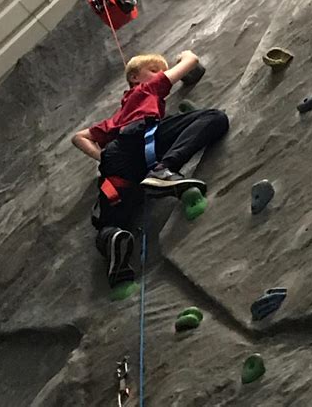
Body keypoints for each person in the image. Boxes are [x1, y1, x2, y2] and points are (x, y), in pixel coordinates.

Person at [72, 51, 229, 289]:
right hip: (146, 139)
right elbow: (191, 62)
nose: (160, 74)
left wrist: (102, 156)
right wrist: (186, 55)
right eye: (154, 70)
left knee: (110, 219)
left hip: (117, 166)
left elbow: (79, 137)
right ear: (135, 77)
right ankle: (164, 170)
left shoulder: (116, 118)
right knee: (214, 118)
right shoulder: (146, 89)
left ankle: (116, 255)